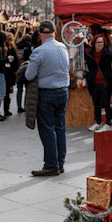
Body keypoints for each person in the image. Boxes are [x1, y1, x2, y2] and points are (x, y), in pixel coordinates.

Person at [25, 21, 69, 176]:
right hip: (63, 92)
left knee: (47, 129)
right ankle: (60, 163)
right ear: (54, 33)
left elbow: (29, 75)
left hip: (47, 94)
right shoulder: (63, 47)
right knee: (60, 128)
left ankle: (51, 164)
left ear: (40, 34)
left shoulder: (39, 51)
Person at [85, 34, 112, 132]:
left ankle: (108, 123)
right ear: (94, 43)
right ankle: (98, 122)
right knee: (96, 104)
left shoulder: (108, 52)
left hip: (105, 81)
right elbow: (88, 66)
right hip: (94, 82)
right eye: (98, 42)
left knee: (106, 103)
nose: (100, 44)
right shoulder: (89, 53)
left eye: (102, 42)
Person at [2, 32, 19, 116]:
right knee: (7, 92)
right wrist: (16, 70)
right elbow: (15, 61)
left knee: (5, 92)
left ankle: (4, 109)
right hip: (10, 72)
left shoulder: (2, 48)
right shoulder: (11, 48)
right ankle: (6, 109)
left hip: (3, 71)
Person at [15, 34, 33, 113]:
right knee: (27, 89)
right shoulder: (29, 48)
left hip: (18, 70)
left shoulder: (16, 47)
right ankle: (25, 106)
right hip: (26, 69)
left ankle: (19, 106)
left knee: (19, 89)